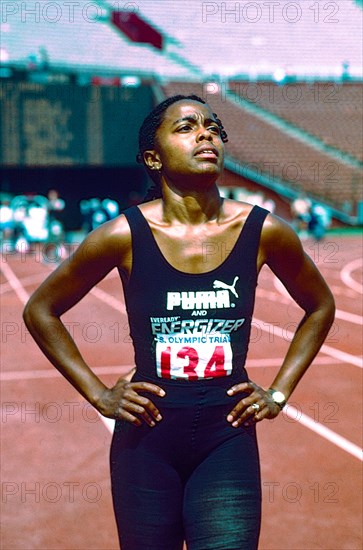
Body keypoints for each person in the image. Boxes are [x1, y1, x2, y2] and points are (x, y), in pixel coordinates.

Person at [23, 94, 335, 550]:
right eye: (186, 127)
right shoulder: (121, 235)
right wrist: (99, 394)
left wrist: (279, 392)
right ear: (154, 157)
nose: (205, 133)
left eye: (211, 126)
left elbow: (320, 306)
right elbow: (40, 310)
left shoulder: (264, 231)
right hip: (145, 444)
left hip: (226, 438)